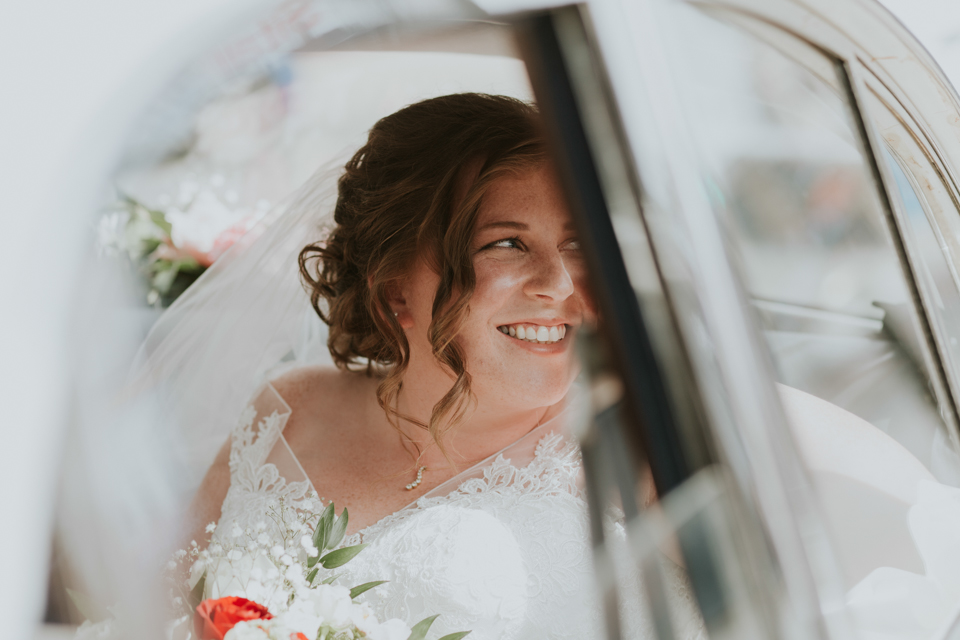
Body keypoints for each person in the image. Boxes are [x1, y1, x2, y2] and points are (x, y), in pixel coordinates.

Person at [165, 93, 703, 639]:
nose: (559, 284)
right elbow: (159, 610)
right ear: (395, 287)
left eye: (576, 244)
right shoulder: (288, 409)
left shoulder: (637, 445)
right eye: (509, 244)